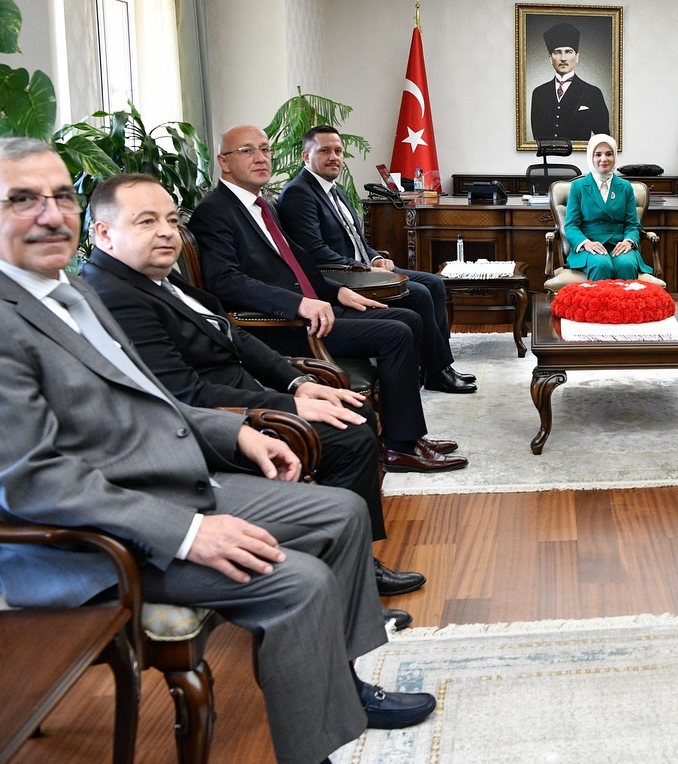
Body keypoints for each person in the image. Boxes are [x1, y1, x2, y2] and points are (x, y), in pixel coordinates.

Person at [0, 138, 436, 764]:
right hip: (91, 541)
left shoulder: (71, 293)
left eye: (61, 196)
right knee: (303, 581)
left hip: (160, 482)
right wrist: (188, 534)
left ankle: (344, 688)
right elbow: (34, 480)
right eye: (23, 200)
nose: (50, 214)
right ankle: (314, 749)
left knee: (341, 514)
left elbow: (153, 398)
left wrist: (236, 433)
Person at [81, 173, 428, 618]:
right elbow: (186, 393)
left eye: (170, 219)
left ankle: (355, 566)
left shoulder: (155, 277)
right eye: (147, 221)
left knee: (353, 410)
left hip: (247, 390)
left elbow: (234, 336)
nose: (167, 232)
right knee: (351, 432)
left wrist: (299, 382)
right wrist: (293, 406)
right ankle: (353, 576)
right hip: (218, 422)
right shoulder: (116, 295)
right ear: (104, 232)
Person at [188, 124, 467, 473]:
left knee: (409, 317)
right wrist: (298, 304)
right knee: (397, 332)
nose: (261, 158)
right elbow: (225, 281)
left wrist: (337, 291)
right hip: (280, 325)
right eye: (247, 151)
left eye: (265, 149)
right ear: (223, 162)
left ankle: (406, 435)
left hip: (315, 311)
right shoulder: (215, 211)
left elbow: (297, 261)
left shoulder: (262, 204)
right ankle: (400, 447)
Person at [277, 124, 475, 394]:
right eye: (324, 151)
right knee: (418, 293)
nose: (334, 157)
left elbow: (357, 240)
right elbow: (313, 250)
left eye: (338, 151)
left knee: (434, 283)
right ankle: (436, 370)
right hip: (341, 277)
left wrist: (375, 258)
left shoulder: (335, 190)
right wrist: (363, 268)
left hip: (362, 269)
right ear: (306, 156)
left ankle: (438, 367)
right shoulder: (299, 193)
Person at [563, 133, 653, 280]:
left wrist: (628, 241)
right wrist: (586, 243)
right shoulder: (578, 187)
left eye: (609, 154)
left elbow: (632, 224)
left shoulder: (625, 187)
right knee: (601, 265)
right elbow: (571, 226)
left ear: (614, 156)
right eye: (598, 154)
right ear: (591, 157)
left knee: (626, 264)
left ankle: (626, 297)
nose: (604, 159)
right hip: (590, 245)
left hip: (619, 244)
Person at [530, 22, 610, 142]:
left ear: (577, 57)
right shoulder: (539, 93)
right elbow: (537, 138)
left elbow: (604, 139)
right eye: (557, 52)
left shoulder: (593, 93)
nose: (563, 58)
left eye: (569, 52)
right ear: (550, 58)